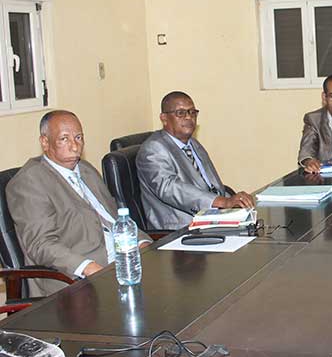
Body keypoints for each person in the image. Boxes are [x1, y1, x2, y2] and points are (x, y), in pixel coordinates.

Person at [7, 110, 151, 297]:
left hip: (124, 265)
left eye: (78, 137)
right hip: (77, 283)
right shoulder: (29, 181)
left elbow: (115, 217)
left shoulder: (85, 169)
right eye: (64, 139)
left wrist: (143, 243)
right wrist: (90, 268)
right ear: (45, 142)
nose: (75, 146)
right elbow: (41, 244)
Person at [137, 91, 254, 230]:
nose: (189, 117)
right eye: (180, 113)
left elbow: (211, 186)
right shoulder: (154, 148)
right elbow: (169, 188)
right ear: (164, 118)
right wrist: (222, 202)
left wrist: (238, 201)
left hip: (212, 219)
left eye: (192, 112)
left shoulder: (193, 144)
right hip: (180, 228)